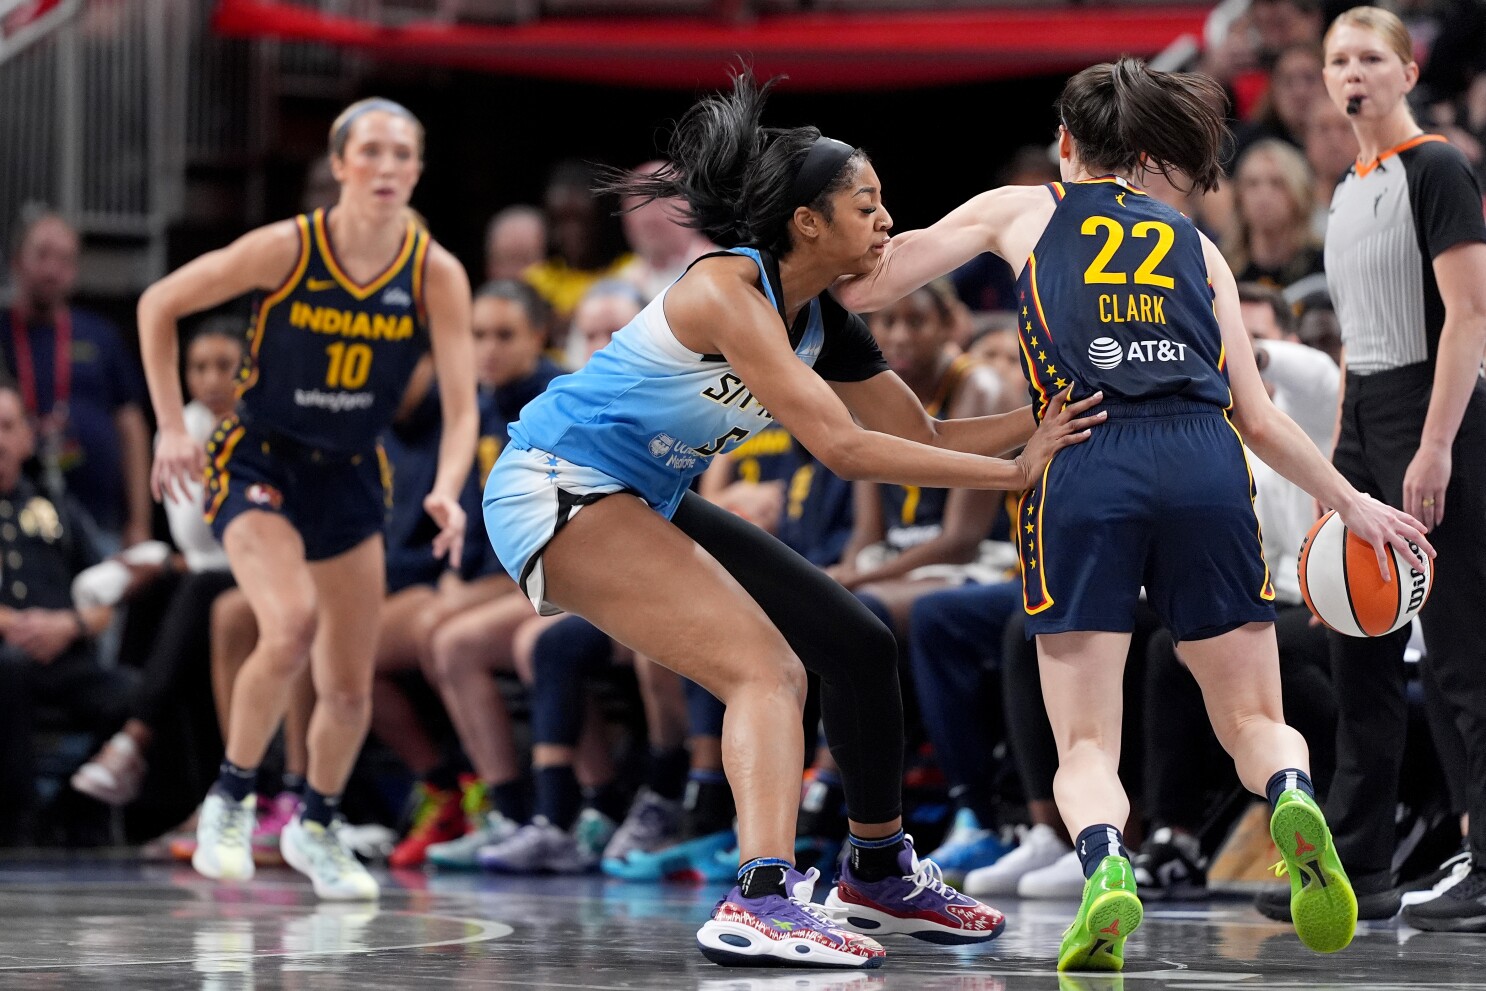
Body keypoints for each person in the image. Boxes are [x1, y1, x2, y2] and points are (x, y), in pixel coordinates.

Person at [483, 69, 1098, 968]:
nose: (887, 220)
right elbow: (845, 450)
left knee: (856, 641)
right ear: (807, 222)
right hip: (557, 482)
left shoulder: (820, 318)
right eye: (867, 203)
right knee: (766, 670)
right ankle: (760, 896)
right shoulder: (729, 290)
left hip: (642, 491)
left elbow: (918, 431)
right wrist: (1014, 472)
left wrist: (1052, 412)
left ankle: (878, 873)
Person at [836, 56, 1430, 971]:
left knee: (1083, 738)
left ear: (1066, 144)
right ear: (1150, 151)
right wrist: (1353, 505)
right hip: (1202, 457)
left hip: (1084, 453)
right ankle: (1288, 789)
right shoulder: (1198, 244)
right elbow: (1260, 417)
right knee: (1250, 717)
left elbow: (868, 285)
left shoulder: (1020, 208)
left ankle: (1109, 866)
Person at [137, 97, 477, 900]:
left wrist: (450, 490)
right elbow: (158, 305)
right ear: (340, 163)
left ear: (417, 169)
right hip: (260, 456)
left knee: (350, 682)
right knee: (285, 622)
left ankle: (316, 823)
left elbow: (463, 409)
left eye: (404, 153)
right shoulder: (290, 246)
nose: (388, 166)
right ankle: (231, 795)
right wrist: (168, 429)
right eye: (373, 151)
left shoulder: (436, 272)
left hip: (352, 471)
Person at [1259, 6, 1486, 934]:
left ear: (1403, 70)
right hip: (1369, 422)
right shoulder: (1347, 189)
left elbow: (1469, 316)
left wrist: (1432, 446)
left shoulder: (1437, 167)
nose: (1349, 74)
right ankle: (1358, 861)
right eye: (1336, 59)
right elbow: (1357, 342)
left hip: (1443, 415)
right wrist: (1342, 462)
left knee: (1467, 652)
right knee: (1361, 645)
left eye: (1367, 59)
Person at [69, 321, 245, 807]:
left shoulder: (267, 429)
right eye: (198, 368)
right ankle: (184, 796)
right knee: (164, 602)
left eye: (224, 367)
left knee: (189, 591)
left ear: (250, 369)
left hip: (277, 573)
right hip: (217, 574)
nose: (211, 381)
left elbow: (250, 540)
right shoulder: (182, 429)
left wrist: (172, 564)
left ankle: (134, 740)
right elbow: (198, 537)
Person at [2, 209, 152, 553]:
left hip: (99, 520)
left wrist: (139, 522)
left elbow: (132, 429)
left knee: (98, 606)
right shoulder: (2, 333)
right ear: (15, 261)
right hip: (11, 522)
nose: (52, 270)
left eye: (65, 259)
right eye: (41, 255)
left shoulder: (101, 336)